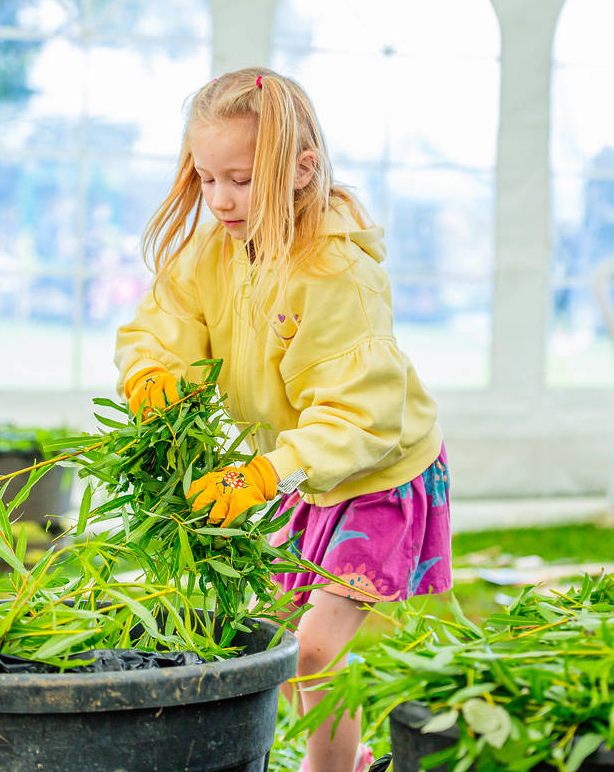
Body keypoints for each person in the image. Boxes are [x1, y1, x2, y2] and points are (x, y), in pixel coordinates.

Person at [115, 67, 450, 772]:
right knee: (287, 641)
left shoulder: (335, 273)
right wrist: (152, 376)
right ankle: (347, 761)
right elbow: (166, 320)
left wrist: (268, 469)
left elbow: (361, 413)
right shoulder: (215, 249)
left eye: (238, 178)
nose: (220, 199)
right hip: (301, 472)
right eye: (206, 179)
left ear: (301, 170)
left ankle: (327, 770)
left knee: (313, 648)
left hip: (378, 473)